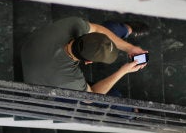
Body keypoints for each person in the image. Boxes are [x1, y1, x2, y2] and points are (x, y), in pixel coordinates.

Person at [21, 17, 149, 95]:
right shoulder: (70, 79)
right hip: (42, 84)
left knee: (104, 34)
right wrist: (123, 71)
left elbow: (98, 29)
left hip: (30, 46)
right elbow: (91, 97)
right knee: (110, 96)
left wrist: (130, 48)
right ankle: (134, 112)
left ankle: (127, 28)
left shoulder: (74, 24)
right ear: (88, 62)